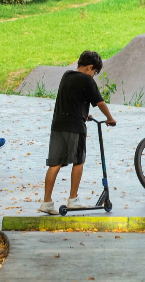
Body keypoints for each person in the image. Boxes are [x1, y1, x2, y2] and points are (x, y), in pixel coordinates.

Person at [38, 51, 117, 215]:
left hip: (58, 125)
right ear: (90, 67)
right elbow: (100, 103)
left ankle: (46, 202)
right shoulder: (87, 79)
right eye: (94, 72)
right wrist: (110, 118)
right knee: (78, 161)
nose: (93, 76)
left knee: (55, 163)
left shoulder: (67, 75)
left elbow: (71, 99)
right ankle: (73, 199)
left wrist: (83, 113)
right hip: (75, 127)